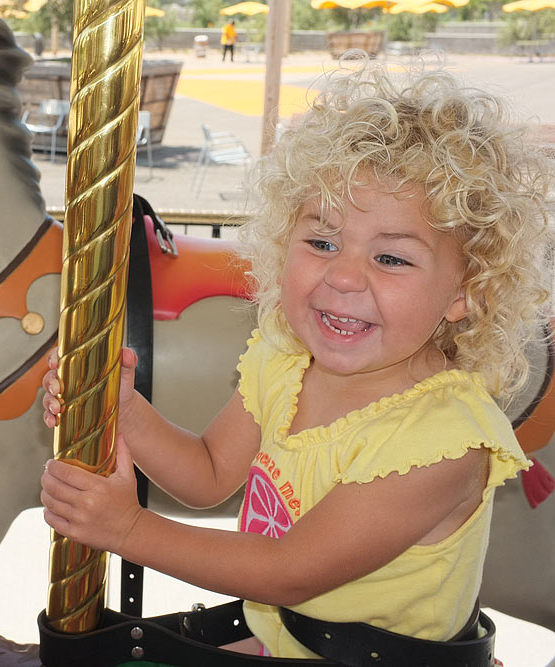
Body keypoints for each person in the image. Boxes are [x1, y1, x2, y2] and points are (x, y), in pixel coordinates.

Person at [39, 61, 554, 659]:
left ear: (465, 292)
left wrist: (126, 530)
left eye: (391, 259)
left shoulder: (440, 440)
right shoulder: (287, 356)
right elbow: (207, 474)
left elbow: (289, 572)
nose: (342, 277)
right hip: (281, 639)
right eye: (322, 242)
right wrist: (125, 411)